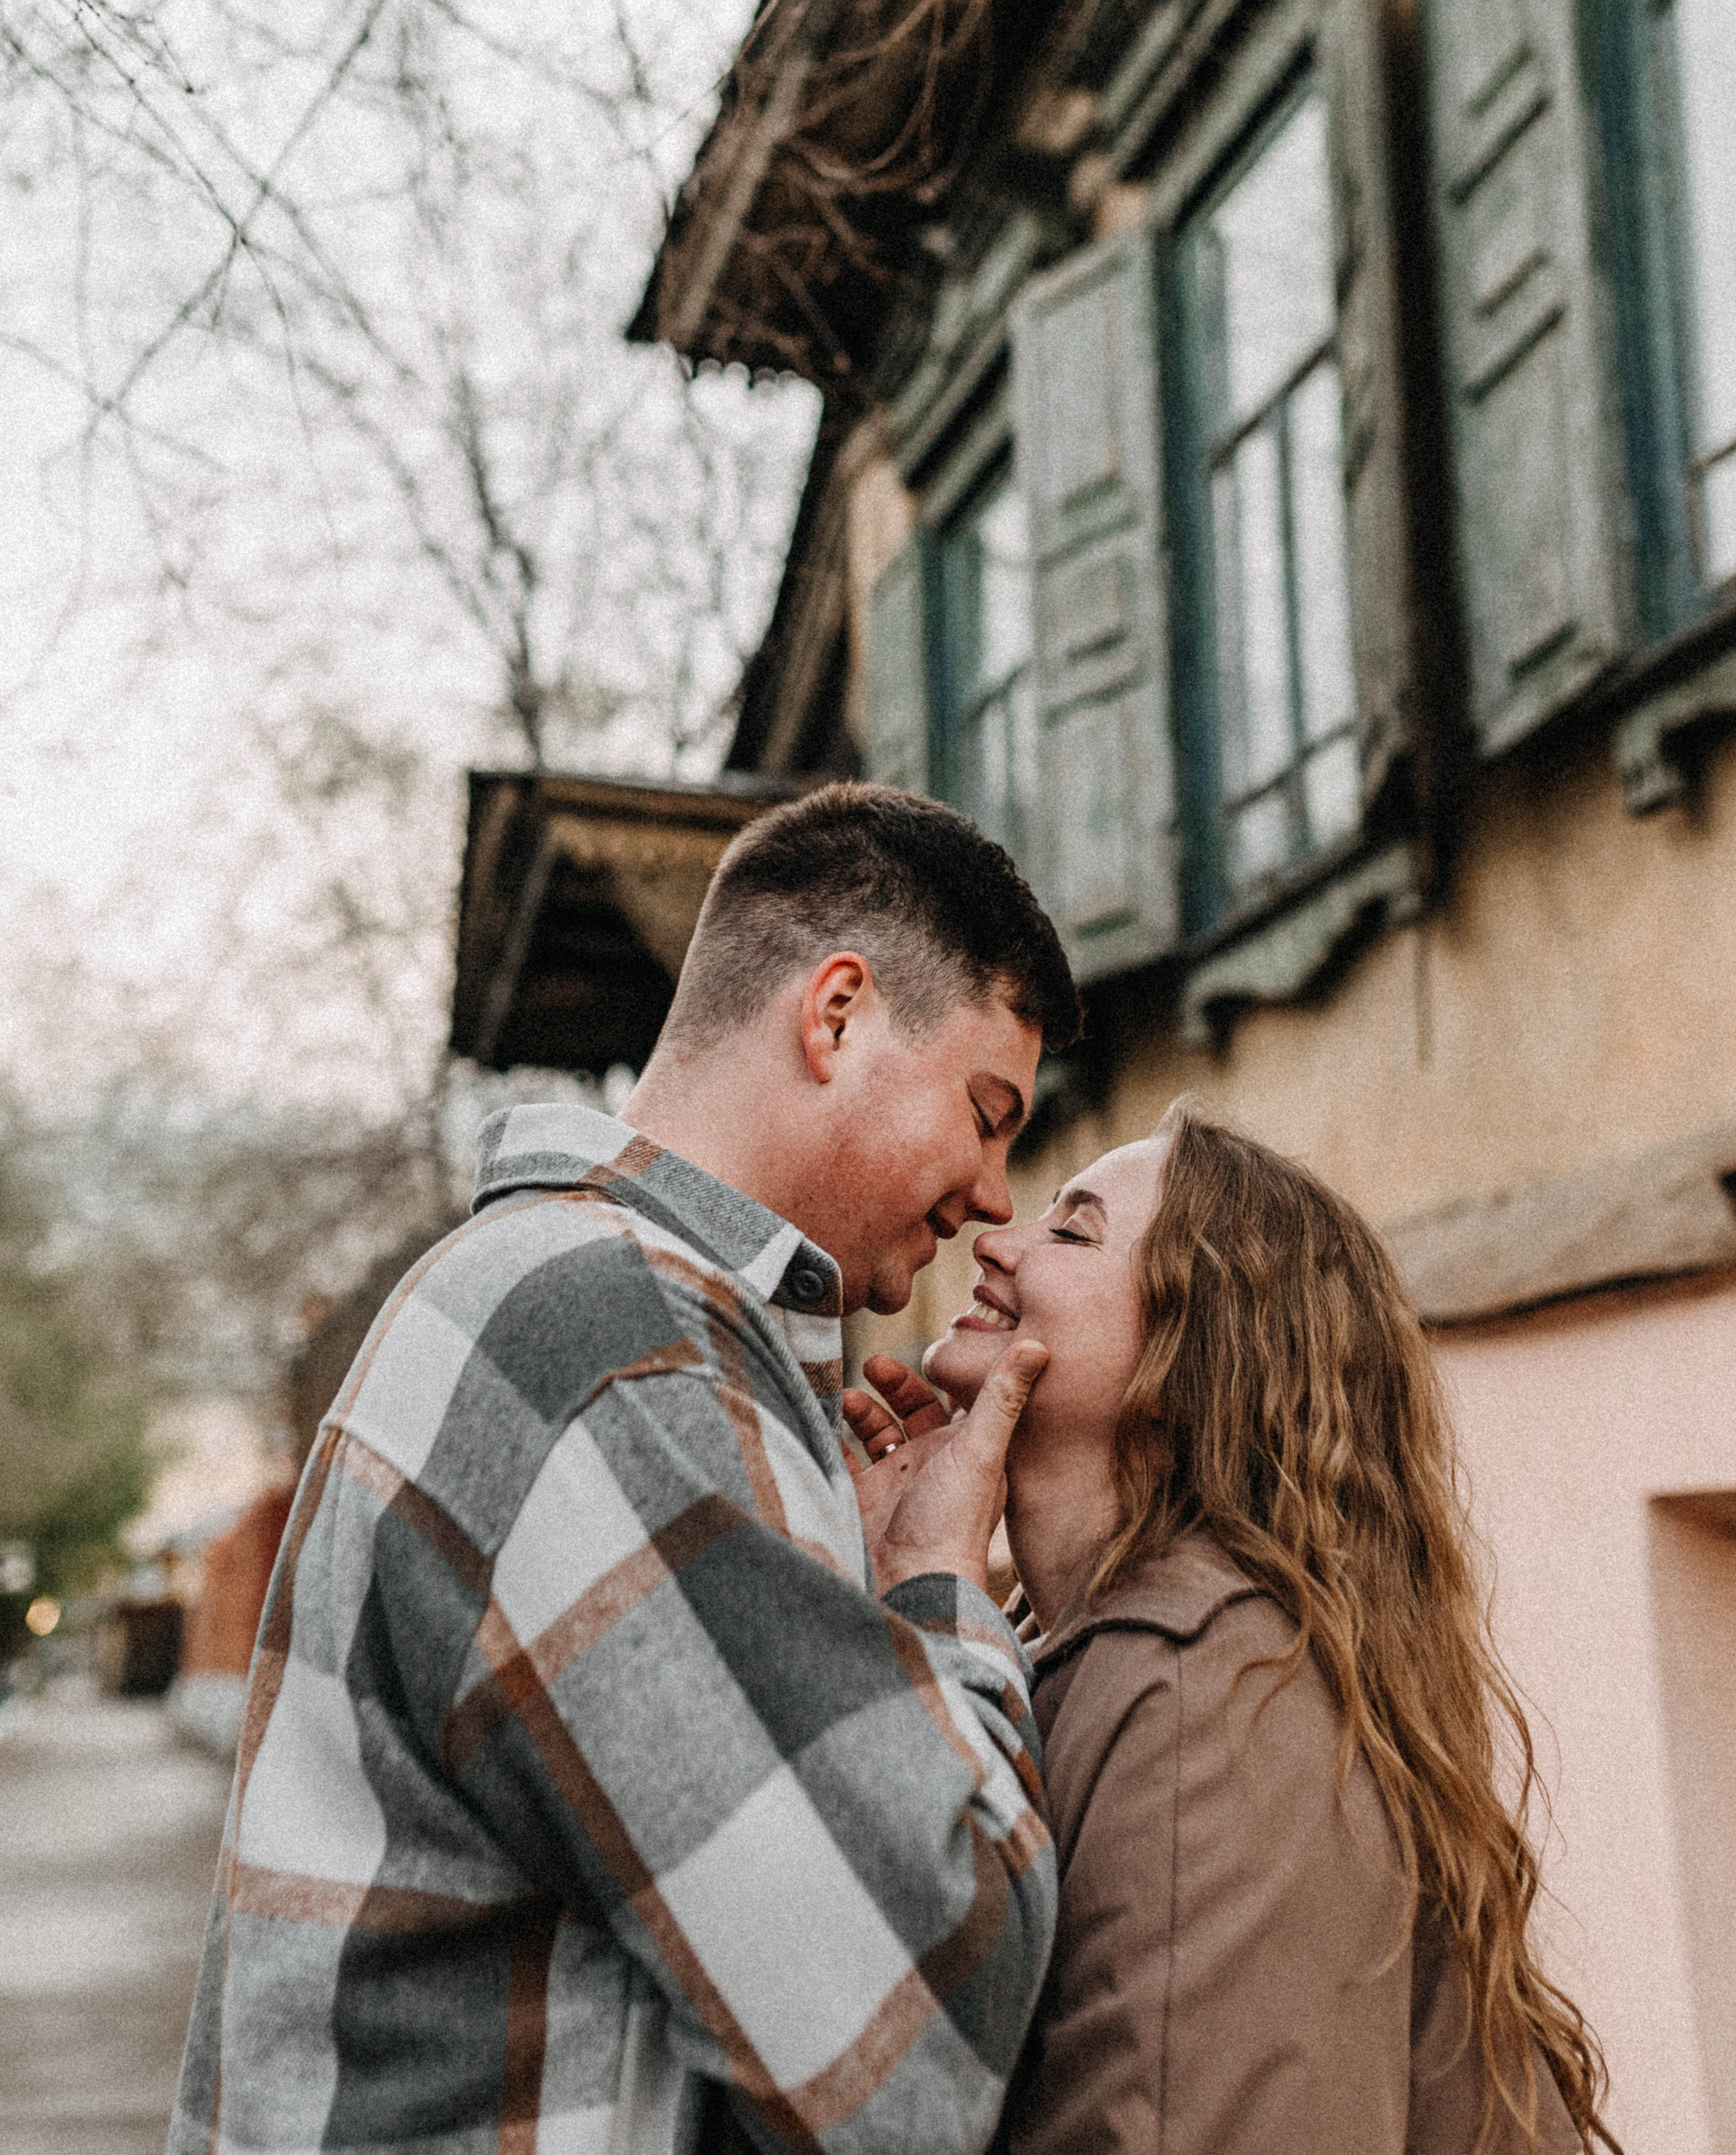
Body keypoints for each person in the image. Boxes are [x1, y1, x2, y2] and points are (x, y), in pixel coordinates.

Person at [170, 782, 1080, 2155]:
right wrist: (937, 1586)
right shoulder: (615, 1344)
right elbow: (912, 2034)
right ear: (834, 1015)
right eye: (986, 1108)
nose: (995, 1195)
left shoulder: (566, 1297)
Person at [843, 1101, 1619, 2155]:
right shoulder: (1075, 1652)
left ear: (1194, 1354)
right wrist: (901, 1597)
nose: (998, 1237)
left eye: (1072, 1231)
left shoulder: (1204, 1680)